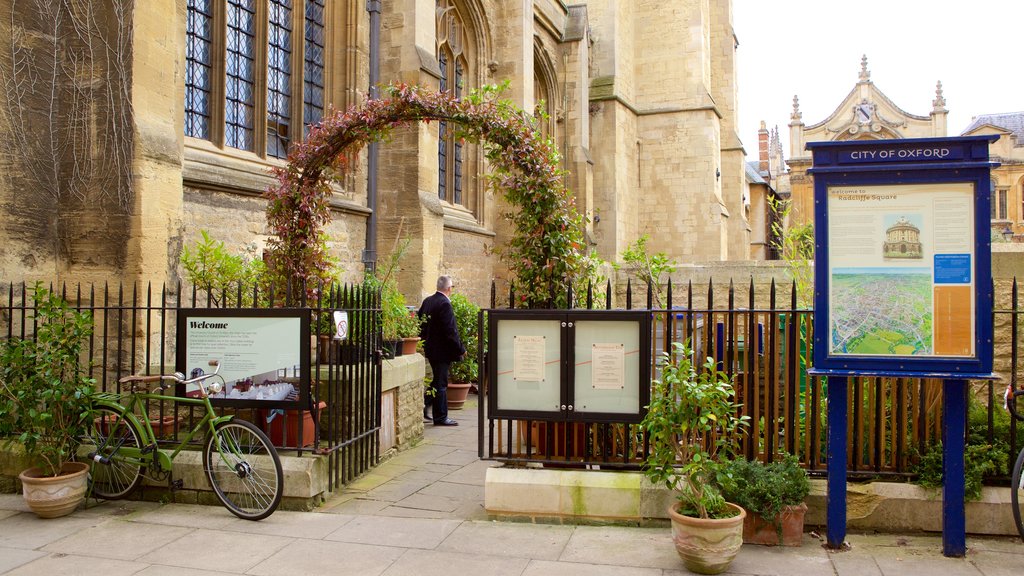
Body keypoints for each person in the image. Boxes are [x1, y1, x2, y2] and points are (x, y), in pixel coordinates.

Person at [417, 275, 465, 426]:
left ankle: (424, 404)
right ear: (449, 288)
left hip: (430, 349)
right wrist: (460, 349)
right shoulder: (445, 303)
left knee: (437, 380)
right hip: (442, 351)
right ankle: (441, 417)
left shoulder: (428, 301)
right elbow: (451, 331)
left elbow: (420, 323)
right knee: (441, 383)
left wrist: (425, 341)